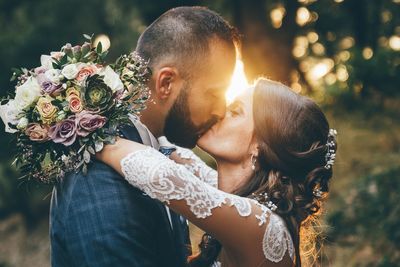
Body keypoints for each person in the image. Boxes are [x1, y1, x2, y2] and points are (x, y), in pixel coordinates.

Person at [50, 6, 238, 267]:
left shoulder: (158, 155)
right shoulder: (98, 179)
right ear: (166, 83)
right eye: (213, 93)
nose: (220, 110)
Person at [97, 78, 337, 267]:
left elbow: (160, 174)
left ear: (260, 146)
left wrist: (92, 132)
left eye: (235, 112)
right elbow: (171, 153)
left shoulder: (266, 226)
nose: (220, 112)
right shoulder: (235, 196)